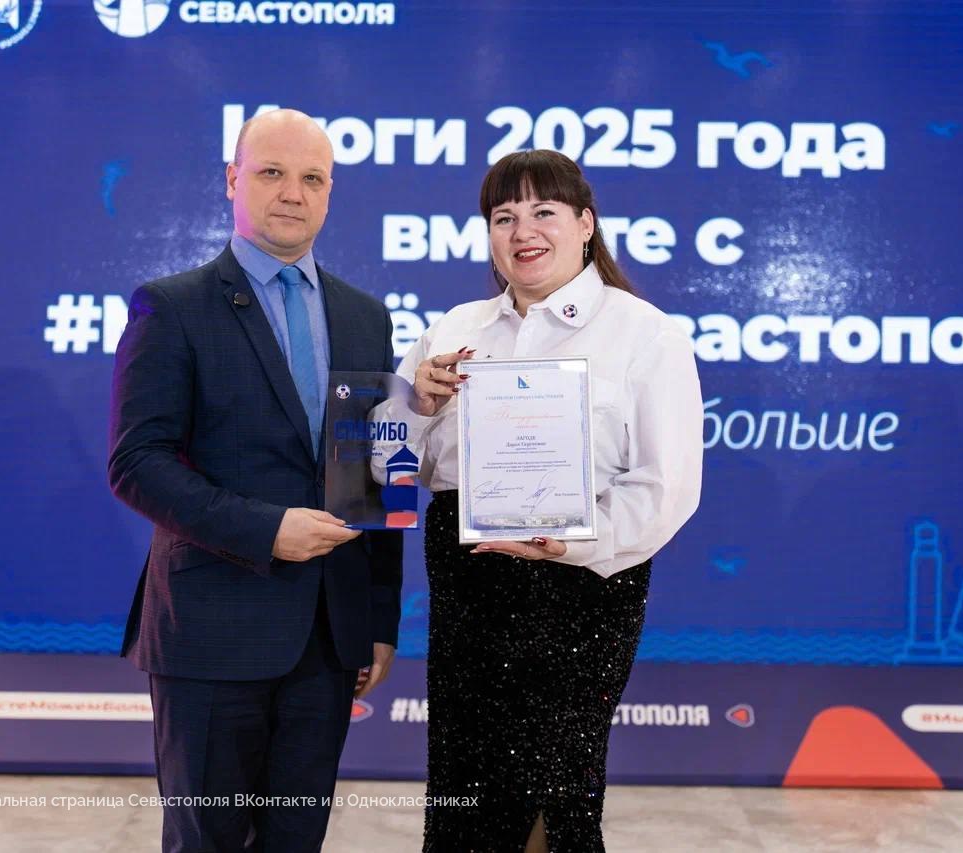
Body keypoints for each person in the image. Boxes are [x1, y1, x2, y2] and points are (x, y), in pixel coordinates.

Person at [108, 109, 402, 852]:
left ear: (330, 193)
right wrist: (266, 529)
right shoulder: (172, 306)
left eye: (313, 178)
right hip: (211, 633)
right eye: (272, 172)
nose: (293, 193)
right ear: (233, 180)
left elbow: (374, 472)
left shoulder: (367, 318)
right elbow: (137, 462)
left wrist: (378, 619)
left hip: (329, 640)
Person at [396, 150, 703, 851]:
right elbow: (382, 470)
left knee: (552, 802)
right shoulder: (454, 329)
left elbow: (668, 485)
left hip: (579, 596)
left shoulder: (645, 333)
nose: (523, 231)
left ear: (585, 223)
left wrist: (575, 541)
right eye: (504, 217)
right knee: (465, 797)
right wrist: (415, 407)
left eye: (544, 212)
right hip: (470, 586)